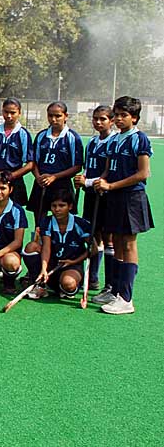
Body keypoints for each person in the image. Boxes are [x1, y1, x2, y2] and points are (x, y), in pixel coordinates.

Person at [92, 96, 154, 314]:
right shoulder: (114, 139)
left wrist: (111, 185)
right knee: (117, 243)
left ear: (134, 118)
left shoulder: (140, 139)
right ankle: (115, 291)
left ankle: (126, 299)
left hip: (131, 198)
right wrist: (101, 181)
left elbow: (143, 173)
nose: (118, 119)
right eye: (116, 115)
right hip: (114, 197)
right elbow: (108, 170)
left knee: (128, 245)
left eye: (123, 115)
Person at [22, 188, 92, 301]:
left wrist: (73, 261)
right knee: (31, 246)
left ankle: (64, 287)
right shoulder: (47, 222)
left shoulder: (81, 224)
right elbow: (46, 248)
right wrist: (43, 269)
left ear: (70, 206)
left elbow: (93, 249)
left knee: (68, 284)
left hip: (71, 265)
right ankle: (40, 284)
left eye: (61, 205)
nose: (57, 209)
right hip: (52, 264)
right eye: (54, 206)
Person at [74, 105, 115, 294]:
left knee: (108, 239)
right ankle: (93, 278)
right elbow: (88, 167)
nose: (98, 122)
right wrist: (82, 178)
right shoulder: (92, 141)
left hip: (105, 195)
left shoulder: (113, 142)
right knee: (93, 235)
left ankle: (110, 284)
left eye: (103, 119)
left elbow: (108, 172)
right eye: (95, 118)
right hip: (91, 195)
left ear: (111, 121)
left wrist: (88, 182)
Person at [27, 101, 83, 220]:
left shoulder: (73, 138)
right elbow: (33, 162)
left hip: (62, 185)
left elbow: (77, 166)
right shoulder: (41, 136)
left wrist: (54, 177)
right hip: (41, 183)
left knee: (61, 220)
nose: (53, 119)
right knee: (39, 222)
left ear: (66, 116)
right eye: (50, 115)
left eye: (58, 116)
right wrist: (38, 177)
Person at [0, 97, 33, 206]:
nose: (9, 116)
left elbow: (30, 164)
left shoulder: (23, 134)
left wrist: (12, 175)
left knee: (14, 212)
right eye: (6, 112)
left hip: (14, 180)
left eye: (13, 113)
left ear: (19, 113)